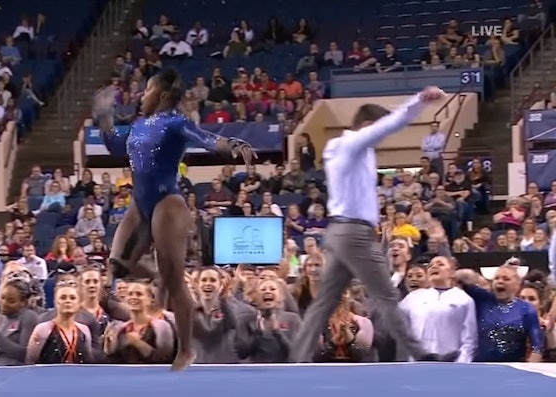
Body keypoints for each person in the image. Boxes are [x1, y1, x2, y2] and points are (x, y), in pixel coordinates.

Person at [92, 68, 256, 371]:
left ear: (163, 95)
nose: (142, 95)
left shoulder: (175, 122)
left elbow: (205, 139)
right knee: (117, 265)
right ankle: (155, 271)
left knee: (173, 279)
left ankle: (185, 350)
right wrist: (104, 120)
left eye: (148, 90)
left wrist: (231, 144)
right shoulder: (140, 125)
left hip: (168, 203)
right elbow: (115, 145)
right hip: (139, 204)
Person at [290, 86, 459, 363]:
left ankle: (296, 360)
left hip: (342, 232)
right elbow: (389, 124)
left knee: (325, 302)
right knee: (387, 296)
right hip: (354, 233)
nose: (379, 136)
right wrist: (418, 101)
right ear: (367, 126)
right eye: (375, 130)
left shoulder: (351, 150)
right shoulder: (350, 144)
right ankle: (421, 354)